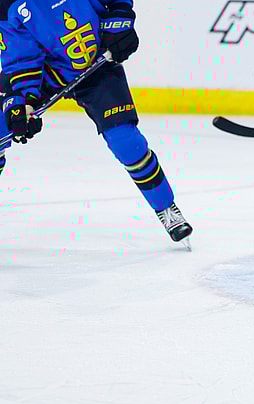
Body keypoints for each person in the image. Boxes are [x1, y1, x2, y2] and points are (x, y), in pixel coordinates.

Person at [0, 0, 192, 246]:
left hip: (98, 63)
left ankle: (167, 209)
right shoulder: (7, 5)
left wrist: (120, 26)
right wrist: (24, 105)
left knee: (126, 142)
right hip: (50, 73)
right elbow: (22, 60)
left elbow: (117, 2)